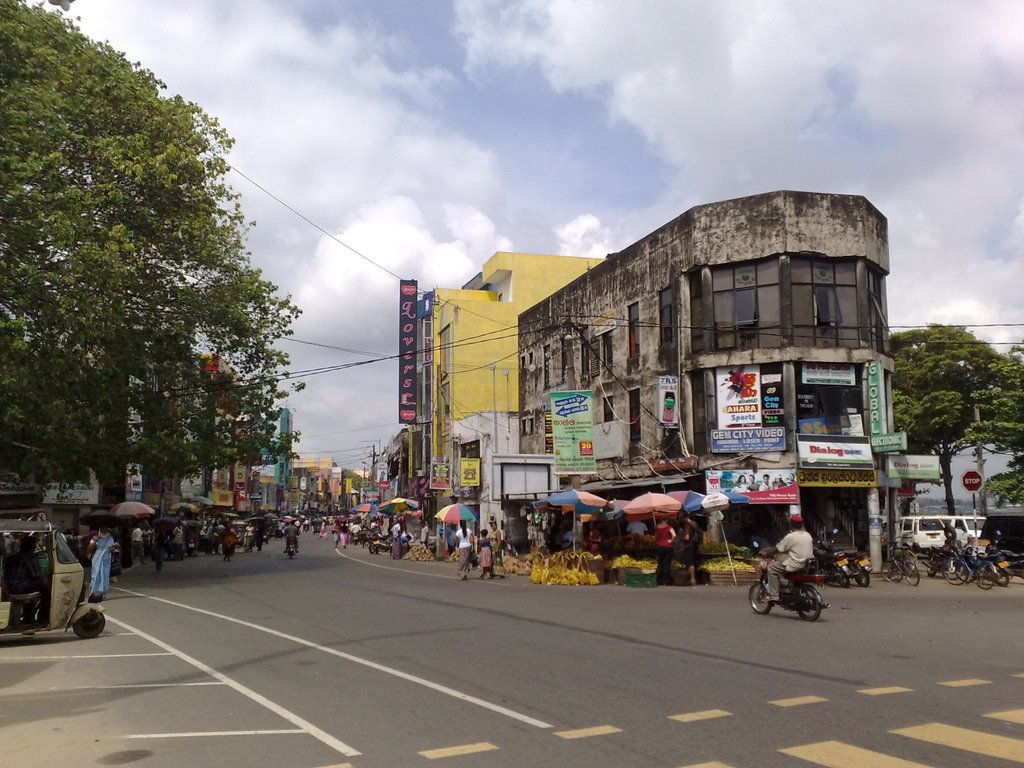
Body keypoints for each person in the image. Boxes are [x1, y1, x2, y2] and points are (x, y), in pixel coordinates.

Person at [764, 515, 814, 601]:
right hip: (807, 565)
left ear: (791, 525)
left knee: (771, 568)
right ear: (801, 525)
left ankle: (774, 595)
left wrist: (767, 552)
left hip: (795, 564)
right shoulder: (807, 535)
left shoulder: (791, 537)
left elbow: (778, 548)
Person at [3, 535, 50, 624]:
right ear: (33, 547)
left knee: (35, 585)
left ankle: (28, 617)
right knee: (46, 589)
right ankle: (44, 617)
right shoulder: (30, 558)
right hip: (20, 588)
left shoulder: (11, 558)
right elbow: (37, 576)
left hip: (9, 588)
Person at [89, 527, 116, 602]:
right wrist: (95, 541)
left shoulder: (110, 538)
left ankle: (103, 594)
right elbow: (90, 548)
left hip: (106, 559)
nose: (105, 530)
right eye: (103, 529)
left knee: (105, 576)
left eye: (106, 529)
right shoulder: (95, 538)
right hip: (97, 559)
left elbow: (112, 548)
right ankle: (93, 592)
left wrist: (113, 549)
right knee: (96, 576)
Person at [675, 512, 701, 587]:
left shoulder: (687, 525)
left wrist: (680, 538)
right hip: (695, 545)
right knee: (692, 562)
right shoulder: (694, 524)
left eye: (681, 519)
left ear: (685, 518)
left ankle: (692, 579)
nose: (681, 521)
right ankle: (690, 579)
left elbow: (687, 537)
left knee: (690, 563)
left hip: (688, 546)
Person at [654, 517, 677, 585]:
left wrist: (657, 541)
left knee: (660, 563)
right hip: (668, 547)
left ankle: (658, 579)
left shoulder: (656, 527)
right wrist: (671, 541)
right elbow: (674, 535)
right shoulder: (669, 527)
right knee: (666, 564)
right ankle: (665, 580)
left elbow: (655, 537)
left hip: (659, 546)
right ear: (666, 520)